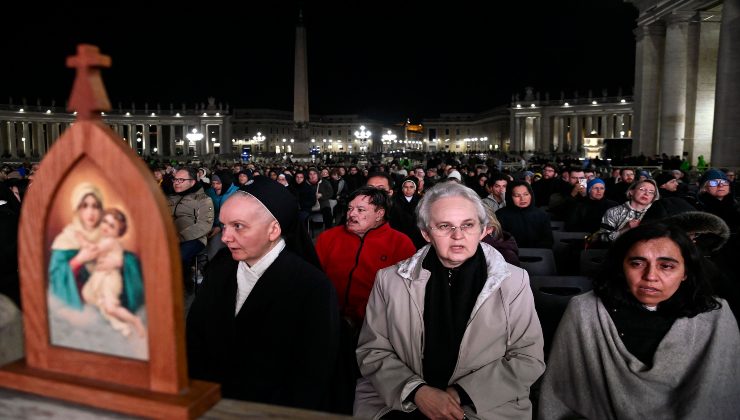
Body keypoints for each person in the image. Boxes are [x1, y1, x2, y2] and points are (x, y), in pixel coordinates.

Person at [354, 182, 545, 419]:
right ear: (426, 233)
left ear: (483, 229)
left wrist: (457, 395)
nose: (458, 236)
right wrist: (418, 392)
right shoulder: (389, 280)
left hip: (486, 406)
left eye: (468, 225)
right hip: (401, 403)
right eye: (445, 226)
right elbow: (373, 350)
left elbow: (527, 357)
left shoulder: (514, 281)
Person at [539, 223, 740, 419]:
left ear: (685, 272)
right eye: (637, 263)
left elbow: (722, 397)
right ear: (621, 267)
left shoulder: (715, 316)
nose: (650, 276)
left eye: (666, 266)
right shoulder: (585, 310)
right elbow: (562, 393)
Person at [187, 177, 339, 410]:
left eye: (238, 226)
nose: (225, 237)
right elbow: (195, 337)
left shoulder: (312, 287)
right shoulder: (220, 267)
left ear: (273, 229)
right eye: (224, 225)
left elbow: (311, 375)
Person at [315, 186, 416, 328]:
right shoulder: (328, 237)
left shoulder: (400, 244)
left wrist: (360, 317)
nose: (351, 214)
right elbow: (314, 278)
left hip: (375, 325)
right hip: (325, 318)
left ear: (379, 214)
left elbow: (401, 294)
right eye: (350, 209)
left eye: (360, 210)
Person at [48, 183, 144, 313]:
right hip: (79, 312)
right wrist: (78, 261)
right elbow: (55, 277)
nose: (90, 212)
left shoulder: (108, 232)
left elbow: (130, 261)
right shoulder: (66, 239)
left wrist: (120, 263)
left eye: (96, 206)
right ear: (77, 208)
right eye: (84, 206)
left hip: (109, 300)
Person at [79, 208, 145, 337]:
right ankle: (121, 326)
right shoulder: (103, 239)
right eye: (104, 221)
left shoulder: (110, 242)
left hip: (110, 279)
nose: (106, 227)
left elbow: (94, 250)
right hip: (101, 277)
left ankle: (135, 321)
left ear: (118, 233)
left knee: (110, 307)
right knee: (95, 300)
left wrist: (81, 239)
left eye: (112, 226)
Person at [167, 167, 214, 291]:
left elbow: (205, 224)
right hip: (168, 235)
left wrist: (180, 237)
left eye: (181, 180)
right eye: (175, 179)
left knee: (178, 256)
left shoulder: (203, 200)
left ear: (192, 182)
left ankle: (183, 285)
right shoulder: (171, 197)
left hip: (194, 238)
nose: (176, 182)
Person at [596, 179, 659, 244]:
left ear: (653, 197)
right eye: (642, 189)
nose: (646, 194)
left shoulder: (657, 214)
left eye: (651, 192)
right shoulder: (614, 212)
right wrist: (624, 230)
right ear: (631, 192)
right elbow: (602, 238)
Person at [496, 180, 554, 248]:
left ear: (531, 195)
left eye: (526, 194)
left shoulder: (542, 215)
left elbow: (548, 241)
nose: (522, 199)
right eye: (517, 196)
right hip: (509, 254)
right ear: (509, 197)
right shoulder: (500, 215)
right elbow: (498, 241)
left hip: (537, 255)